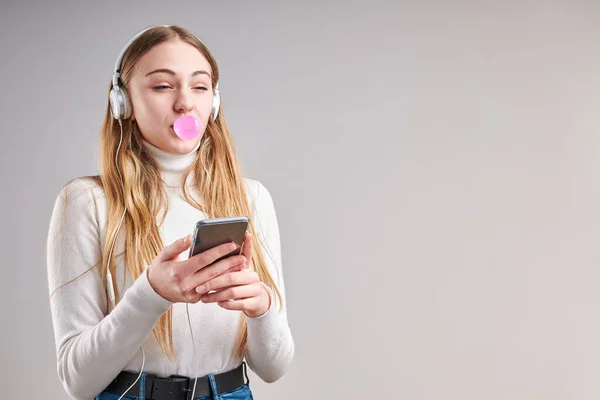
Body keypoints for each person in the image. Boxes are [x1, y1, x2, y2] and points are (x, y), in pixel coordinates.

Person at [46, 24, 294, 400]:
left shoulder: (252, 198)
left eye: (199, 86)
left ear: (214, 103)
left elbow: (273, 368)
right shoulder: (85, 202)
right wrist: (151, 293)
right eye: (163, 86)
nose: (185, 103)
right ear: (122, 103)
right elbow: (78, 383)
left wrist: (261, 308)